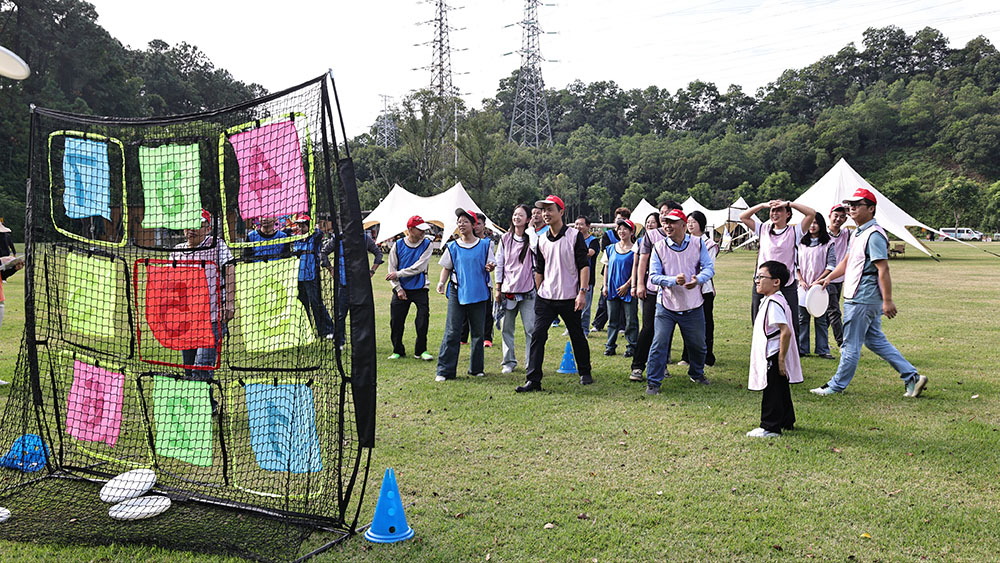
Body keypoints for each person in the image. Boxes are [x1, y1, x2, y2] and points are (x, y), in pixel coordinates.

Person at [811, 188, 927, 397]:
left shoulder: (874, 235)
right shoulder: (858, 232)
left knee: (850, 344)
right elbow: (847, 261)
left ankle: (836, 386)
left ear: (871, 208)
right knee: (875, 340)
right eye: (850, 205)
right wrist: (828, 278)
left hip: (862, 297)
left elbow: (883, 269)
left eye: (857, 205)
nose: (852, 208)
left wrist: (888, 300)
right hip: (860, 295)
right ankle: (912, 377)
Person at [516, 195, 592, 392]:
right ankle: (533, 380)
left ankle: (585, 372)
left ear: (561, 212)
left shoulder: (574, 236)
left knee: (577, 335)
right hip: (546, 297)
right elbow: (539, 269)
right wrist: (539, 290)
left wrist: (582, 292)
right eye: (543, 210)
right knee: (538, 335)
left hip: (570, 297)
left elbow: (584, 265)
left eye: (550, 209)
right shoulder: (541, 239)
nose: (545, 213)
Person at [643, 208, 714, 395]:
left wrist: (698, 279)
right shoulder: (659, 247)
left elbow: (709, 268)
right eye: (665, 222)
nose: (667, 226)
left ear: (683, 225)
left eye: (672, 222)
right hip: (666, 304)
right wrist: (673, 280)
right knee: (659, 343)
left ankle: (697, 373)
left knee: (698, 345)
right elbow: (654, 276)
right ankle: (653, 382)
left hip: (693, 304)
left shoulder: (698, 243)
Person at [170, 210, 235, 412]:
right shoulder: (177, 251)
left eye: (198, 225)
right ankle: (207, 405)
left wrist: (230, 303)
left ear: (207, 228)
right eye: (188, 224)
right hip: (186, 321)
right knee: (189, 368)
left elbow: (230, 269)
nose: (191, 229)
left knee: (202, 367)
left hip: (212, 319)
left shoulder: (217, 246)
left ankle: (200, 411)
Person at [435, 209, 496, 381]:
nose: (461, 224)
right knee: (452, 331)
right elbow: (446, 267)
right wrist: (441, 283)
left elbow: (491, 263)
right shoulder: (453, 246)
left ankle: (476, 369)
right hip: (457, 291)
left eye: (465, 221)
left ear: (474, 225)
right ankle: (444, 371)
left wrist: (490, 267)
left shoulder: (484, 245)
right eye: (459, 221)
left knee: (478, 332)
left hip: (479, 292)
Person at [746, 260, 802, 438]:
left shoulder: (774, 303)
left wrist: (781, 359)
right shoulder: (773, 300)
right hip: (775, 353)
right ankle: (786, 420)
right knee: (781, 388)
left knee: (772, 391)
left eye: (761, 277)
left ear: (776, 282)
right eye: (756, 277)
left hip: (774, 354)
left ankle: (770, 426)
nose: (757, 280)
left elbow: (785, 331)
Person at [739, 199, 816, 325]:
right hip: (763, 282)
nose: (775, 213)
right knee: (759, 320)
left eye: (779, 210)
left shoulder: (795, 231)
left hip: (786, 284)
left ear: (788, 214)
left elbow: (811, 213)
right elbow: (743, 217)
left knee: (791, 322)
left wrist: (789, 204)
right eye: (772, 210)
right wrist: (763, 205)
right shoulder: (763, 229)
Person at [630, 201, 682, 382]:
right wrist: (639, 285)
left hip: (672, 290)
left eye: (667, 212)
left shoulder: (683, 236)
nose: (663, 215)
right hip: (652, 289)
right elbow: (642, 261)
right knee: (648, 328)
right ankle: (637, 366)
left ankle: (661, 365)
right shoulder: (651, 235)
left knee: (666, 330)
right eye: (661, 212)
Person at [323, 228, 384, 348]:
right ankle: (340, 341)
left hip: (360, 285)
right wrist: (331, 269)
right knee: (340, 315)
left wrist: (372, 270)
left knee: (360, 315)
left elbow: (378, 253)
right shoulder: (337, 238)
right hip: (343, 283)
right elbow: (323, 252)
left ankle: (360, 342)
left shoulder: (364, 238)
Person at [386, 215, 433, 361]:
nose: (423, 232)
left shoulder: (427, 244)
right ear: (411, 230)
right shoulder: (398, 245)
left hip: (420, 288)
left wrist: (398, 274)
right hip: (401, 288)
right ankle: (397, 350)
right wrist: (398, 288)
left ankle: (421, 351)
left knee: (422, 319)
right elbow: (391, 268)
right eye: (420, 229)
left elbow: (419, 267)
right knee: (396, 321)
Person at [495, 204, 536, 374]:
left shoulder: (532, 238)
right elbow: (499, 263)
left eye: (521, 215)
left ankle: (530, 362)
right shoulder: (505, 238)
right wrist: (498, 288)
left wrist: (531, 230)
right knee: (506, 328)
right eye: (515, 214)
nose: (516, 218)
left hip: (528, 290)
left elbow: (537, 250)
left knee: (531, 329)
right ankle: (508, 361)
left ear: (528, 219)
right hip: (508, 290)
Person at [680, 210, 719, 367]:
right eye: (688, 222)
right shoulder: (684, 242)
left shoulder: (709, 244)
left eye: (693, 222)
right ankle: (687, 356)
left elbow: (709, 267)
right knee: (687, 322)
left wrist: (695, 279)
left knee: (705, 322)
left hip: (704, 290)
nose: (690, 224)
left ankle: (708, 356)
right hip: (687, 288)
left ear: (701, 224)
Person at [796, 213, 836, 359]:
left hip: (820, 287)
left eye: (816, 223)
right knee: (802, 319)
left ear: (821, 225)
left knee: (821, 319)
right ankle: (802, 349)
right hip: (803, 286)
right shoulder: (800, 242)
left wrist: (819, 280)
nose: (812, 226)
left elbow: (831, 265)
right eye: (810, 223)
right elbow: (795, 264)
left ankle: (823, 349)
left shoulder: (828, 243)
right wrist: (801, 280)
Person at [291, 214, 335, 339]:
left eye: (303, 225)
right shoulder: (296, 239)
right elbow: (286, 233)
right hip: (298, 277)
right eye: (299, 225)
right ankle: (306, 330)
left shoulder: (314, 238)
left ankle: (326, 330)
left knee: (316, 303)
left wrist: (310, 228)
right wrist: (294, 229)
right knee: (302, 304)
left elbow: (318, 233)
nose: (300, 228)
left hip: (311, 276)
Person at [591, 206, 631, 332]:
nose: (620, 223)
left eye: (623, 220)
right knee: (605, 298)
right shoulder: (608, 235)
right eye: (618, 219)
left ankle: (622, 326)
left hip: (625, 272)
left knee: (623, 298)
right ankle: (598, 324)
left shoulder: (630, 235)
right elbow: (606, 251)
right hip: (610, 270)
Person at [602, 219, 637, 357]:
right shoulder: (610, 249)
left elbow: (636, 269)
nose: (622, 231)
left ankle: (631, 347)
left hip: (629, 290)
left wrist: (627, 285)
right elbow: (606, 267)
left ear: (631, 232)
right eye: (619, 229)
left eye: (625, 229)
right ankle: (610, 346)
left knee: (630, 320)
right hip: (612, 289)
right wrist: (605, 285)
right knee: (612, 320)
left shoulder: (635, 250)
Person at [460, 212, 495, 347]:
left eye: (479, 224)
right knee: (465, 310)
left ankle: (487, 337)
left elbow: (492, 261)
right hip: (468, 282)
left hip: (484, 283)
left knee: (486, 311)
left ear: (484, 225)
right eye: (475, 223)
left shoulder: (488, 243)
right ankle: (463, 337)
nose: (476, 226)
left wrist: (490, 266)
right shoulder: (463, 242)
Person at [823, 204, 852, 347]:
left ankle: (822, 343)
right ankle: (842, 343)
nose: (838, 219)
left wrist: (850, 212)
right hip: (826, 278)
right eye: (836, 216)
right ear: (829, 216)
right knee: (834, 311)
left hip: (839, 279)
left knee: (829, 313)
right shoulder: (822, 234)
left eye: (842, 217)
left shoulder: (847, 234)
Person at [573, 216, 600, 337]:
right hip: (573, 277)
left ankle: (584, 330)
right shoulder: (572, 239)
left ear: (588, 226)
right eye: (576, 224)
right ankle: (571, 328)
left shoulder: (593, 241)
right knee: (571, 304)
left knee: (585, 306)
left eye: (581, 224)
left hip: (588, 278)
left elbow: (590, 253)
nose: (577, 227)